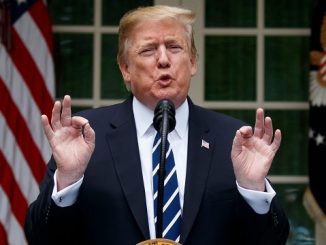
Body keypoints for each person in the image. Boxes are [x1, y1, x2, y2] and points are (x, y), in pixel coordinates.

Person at [24, 5, 289, 245]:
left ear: (193, 61)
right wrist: (69, 179)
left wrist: (253, 190)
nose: (163, 60)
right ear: (125, 68)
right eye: (148, 50)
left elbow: (271, 241)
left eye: (174, 47)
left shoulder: (233, 141)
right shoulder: (85, 137)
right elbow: (41, 238)